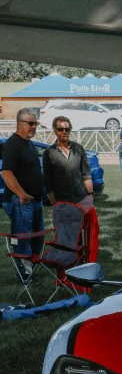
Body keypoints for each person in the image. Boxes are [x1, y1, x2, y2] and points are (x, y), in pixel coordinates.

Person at [1, 108, 45, 279]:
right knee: (22, 239)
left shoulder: (29, 143)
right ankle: (25, 276)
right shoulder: (13, 144)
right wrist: (23, 195)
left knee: (37, 239)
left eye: (36, 123)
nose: (34, 127)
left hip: (35, 201)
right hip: (21, 201)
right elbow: (7, 173)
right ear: (20, 123)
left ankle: (31, 271)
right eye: (31, 123)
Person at [43, 116, 94, 212]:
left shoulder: (79, 149)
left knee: (84, 226)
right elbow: (47, 180)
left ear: (70, 130)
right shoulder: (49, 153)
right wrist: (54, 202)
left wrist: (90, 195)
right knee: (63, 227)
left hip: (81, 199)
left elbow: (86, 174)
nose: (64, 132)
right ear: (55, 130)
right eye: (60, 129)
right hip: (61, 201)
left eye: (67, 129)